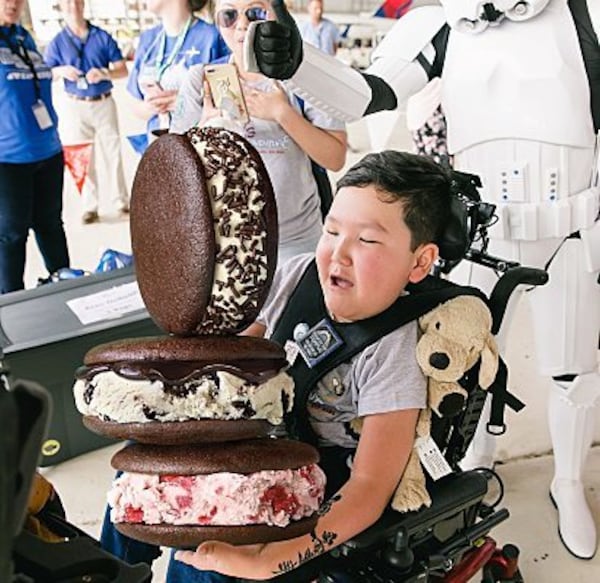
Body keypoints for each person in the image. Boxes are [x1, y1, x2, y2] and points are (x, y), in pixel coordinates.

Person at [248, 0, 600, 561]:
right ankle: (472, 459)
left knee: (573, 372)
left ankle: (567, 480)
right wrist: (298, 64)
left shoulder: (584, 16)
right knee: (463, 368)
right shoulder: (444, 24)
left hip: (574, 229)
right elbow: (369, 92)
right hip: (475, 239)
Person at [174, 150, 450, 579]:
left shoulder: (393, 351)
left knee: (206, 561)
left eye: (368, 240)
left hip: (322, 491)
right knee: (138, 492)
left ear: (419, 262)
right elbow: (234, 361)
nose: (339, 253)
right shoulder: (300, 274)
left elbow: (369, 487)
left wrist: (269, 561)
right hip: (259, 450)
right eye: (332, 230)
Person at [170, 0, 347, 262]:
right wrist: (203, 130)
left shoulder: (304, 77)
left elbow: (335, 158)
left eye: (255, 13)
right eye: (229, 15)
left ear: (278, 15)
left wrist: (283, 114)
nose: (242, 25)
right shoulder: (201, 80)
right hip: (225, 242)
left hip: (296, 242)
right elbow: (174, 166)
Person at [0, 0, 70, 294]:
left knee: (51, 227)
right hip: (9, 159)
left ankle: (69, 290)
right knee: (12, 237)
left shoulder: (23, 37)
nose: (13, 3)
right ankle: (11, 310)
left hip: (49, 151)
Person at [44, 0, 130, 225]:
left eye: (76, 1)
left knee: (113, 153)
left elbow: (122, 69)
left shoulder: (102, 36)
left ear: (83, 5)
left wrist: (104, 73)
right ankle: (90, 206)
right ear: (61, 8)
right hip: (75, 105)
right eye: (67, 3)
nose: (73, 6)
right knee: (81, 156)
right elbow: (45, 73)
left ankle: (120, 200)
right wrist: (61, 71)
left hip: (103, 102)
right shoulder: (57, 42)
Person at [127, 0, 230, 142]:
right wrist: (152, 105)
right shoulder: (148, 39)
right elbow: (135, 104)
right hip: (158, 145)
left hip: (201, 145)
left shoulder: (214, 37)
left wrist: (188, 103)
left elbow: (232, 104)